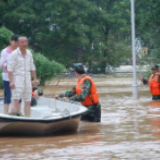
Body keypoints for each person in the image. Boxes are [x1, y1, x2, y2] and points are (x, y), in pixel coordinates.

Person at [7, 36, 38, 116]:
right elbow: (10, 69)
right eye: (22, 42)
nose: (25, 44)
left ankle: (28, 120)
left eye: (26, 41)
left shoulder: (29, 53)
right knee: (16, 100)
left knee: (28, 101)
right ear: (17, 43)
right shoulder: (14, 55)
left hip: (27, 79)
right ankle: (12, 120)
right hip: (17, 79)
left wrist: (35, 78)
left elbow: (32, 67)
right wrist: (11, 82)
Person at [0, 34, 19, 114]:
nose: (16, 44)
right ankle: (6, 113)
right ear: (11, 41)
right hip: (7, 77)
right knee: (8, 95)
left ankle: (17, 112)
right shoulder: (4, 51)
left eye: (17, 42)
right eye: (15, 41)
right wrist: (9, 65)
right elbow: (1, 65)